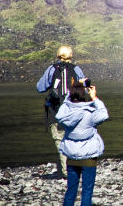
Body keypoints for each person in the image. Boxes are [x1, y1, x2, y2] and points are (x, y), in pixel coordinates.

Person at [56, 80, 108, 206]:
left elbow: (63, 107)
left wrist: (71, 91)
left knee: (71, 190)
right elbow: (104, 114)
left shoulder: (65, 114)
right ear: (83, 95)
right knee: (87, 192)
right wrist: (94, 97)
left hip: (72, 155)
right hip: (88, 156)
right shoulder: (89, 113)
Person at [37, 45, 86, 177]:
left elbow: (40, 87)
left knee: (60, 141)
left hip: (55, 111)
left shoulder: (51, 69)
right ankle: (75, 169)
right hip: (73, 111)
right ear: (71, 56)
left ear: (58, 56)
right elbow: (84, 89)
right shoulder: (76, 69)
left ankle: (65, 171)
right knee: (74, 139)